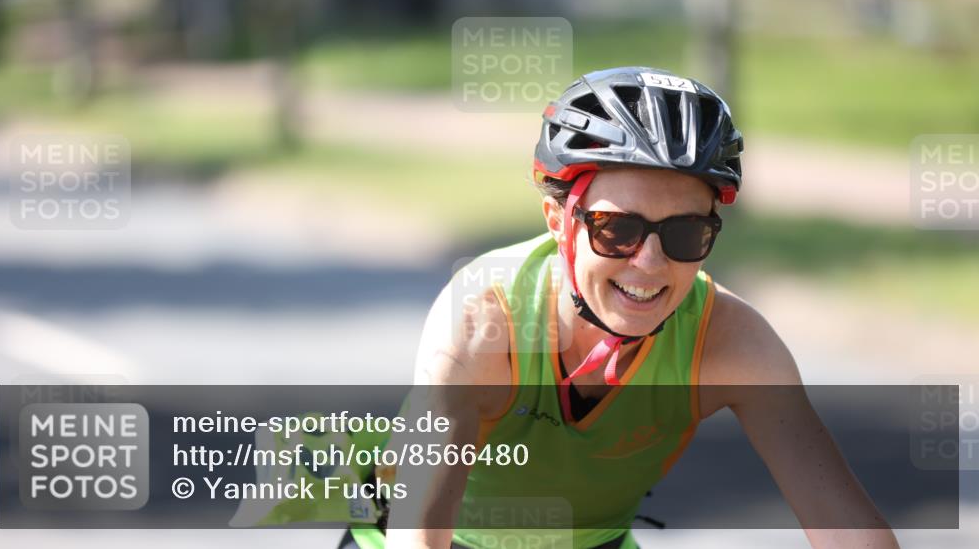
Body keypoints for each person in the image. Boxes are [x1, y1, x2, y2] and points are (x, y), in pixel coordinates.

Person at [345, 67, 899, 549]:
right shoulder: (482, 321)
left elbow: (848, 529)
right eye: (618, 229)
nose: (651, 263)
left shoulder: (730, 342)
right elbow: (417, 532)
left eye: (685, 232)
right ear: (559, 220)